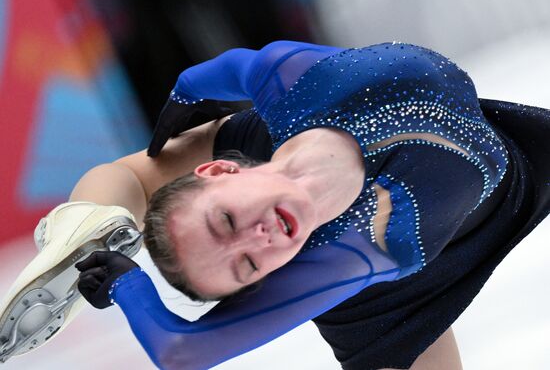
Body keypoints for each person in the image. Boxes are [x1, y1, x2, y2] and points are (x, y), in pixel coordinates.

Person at [1, 40, 548, 370]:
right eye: (248, 266)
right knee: (158, 178)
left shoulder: (362, 238)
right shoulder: (295, 83)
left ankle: (95, 216)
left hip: (378, 228)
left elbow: (183, 353)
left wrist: (128, 284)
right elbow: (226, 69)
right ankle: (104, 224)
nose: (259, 238)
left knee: (136, 174)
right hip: (365, 249)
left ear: (221, 169)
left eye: (226, 224)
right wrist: (185, 95)